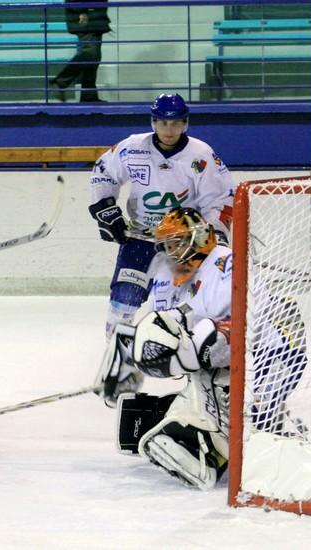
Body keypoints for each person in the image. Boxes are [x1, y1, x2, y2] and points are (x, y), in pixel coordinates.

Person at [99, 207, 308, 489]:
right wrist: (129, 361)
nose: (172, 253)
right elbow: (164, 324)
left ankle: (221, 446)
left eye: (177, 243)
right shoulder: (174, 276)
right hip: (233, 354)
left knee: (254, 431)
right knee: (197, 358)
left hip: (274, 351)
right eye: (167, 246)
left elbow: (241, 325)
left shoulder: (225, 263)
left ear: (198, 238)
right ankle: (189, 435)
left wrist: (185, 347)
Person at [88, 93, 234, 400]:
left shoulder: (201, 154)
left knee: (185, 311)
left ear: (185, 123)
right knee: (122, 304)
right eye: (163, 123)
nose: (169, 129)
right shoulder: (132, 147)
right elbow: (103, 172)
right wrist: (106, 208)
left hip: (185, 243)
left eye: (176, 123)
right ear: (153, 122)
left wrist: (212, 236)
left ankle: (199, 377)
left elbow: (220, 199)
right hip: (140, 238)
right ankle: (120, 372)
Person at [49, 0, 110, 103]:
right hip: (89, 19)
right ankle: (61, 82)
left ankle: (88, 97)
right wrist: (82, 11)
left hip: (94, 19)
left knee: (93, 59)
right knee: (90, 53)